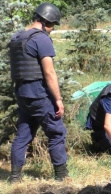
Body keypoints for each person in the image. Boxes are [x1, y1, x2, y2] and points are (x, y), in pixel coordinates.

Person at [9, 3, 68, 182]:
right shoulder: (41, 39)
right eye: (52, 25)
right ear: (46, 21)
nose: (51, 29)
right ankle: (61, 175)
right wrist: (58, 99)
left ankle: (15, 176)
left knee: (23, 134)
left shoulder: (17, 37)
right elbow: (49, 73)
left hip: (21, 93)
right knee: (56, 132)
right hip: (39, 94)